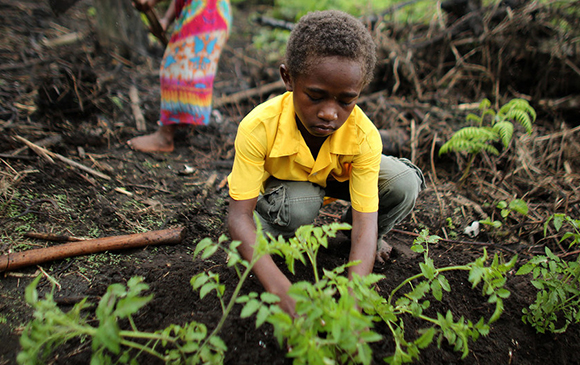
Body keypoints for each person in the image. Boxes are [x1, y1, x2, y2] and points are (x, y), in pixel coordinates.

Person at [226, 10, 425, 317]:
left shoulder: (364, 136)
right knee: (298, 207)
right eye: (316, 96)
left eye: (346, 101)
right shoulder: (259, 127)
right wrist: (280, 289)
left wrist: (352, 302)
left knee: (403, 182)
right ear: (288, 78)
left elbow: (365, 221)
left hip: (335, 178)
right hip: (285, 191)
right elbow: (238, 217)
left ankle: (351, 244)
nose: (330, 113)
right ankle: (269, 235)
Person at [128, 0, 232, 152]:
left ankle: (165, 138)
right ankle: (182, 120)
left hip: (206, 12)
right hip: (209, 11)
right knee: (184, 65)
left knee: (179, 67)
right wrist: (167, 20)